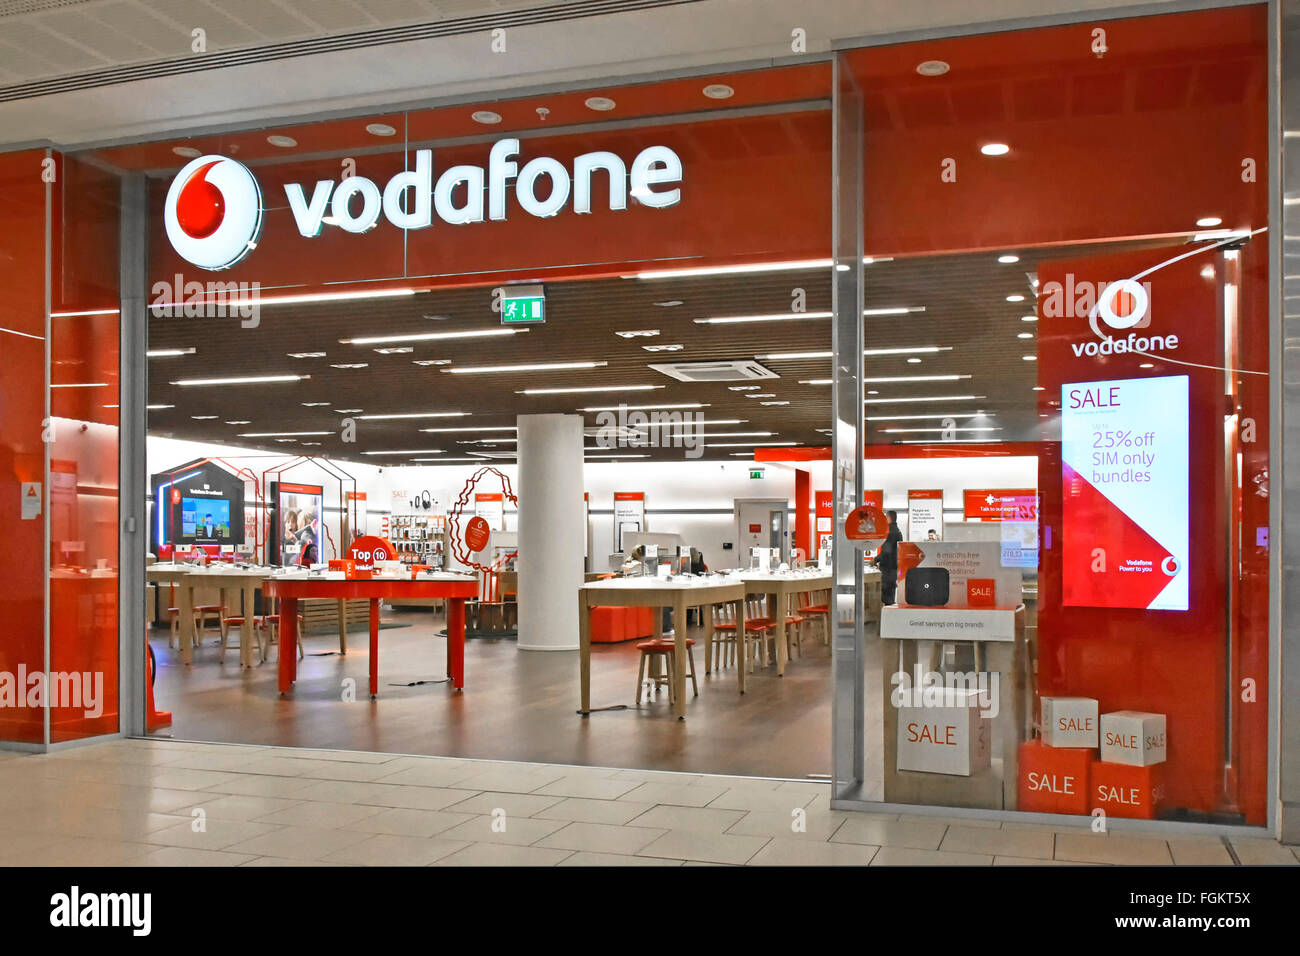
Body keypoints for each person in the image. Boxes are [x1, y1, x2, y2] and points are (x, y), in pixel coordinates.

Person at [875, 509, 903, 605]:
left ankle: (885, 618)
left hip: (887, 569)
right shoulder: (898, 531)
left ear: (889, 518)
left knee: (886, 598)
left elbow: (886, 551)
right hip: (893, 569)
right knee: (890, 595)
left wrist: (875, 560)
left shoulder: (890, 532)